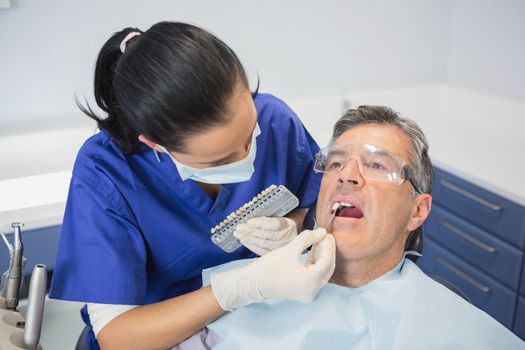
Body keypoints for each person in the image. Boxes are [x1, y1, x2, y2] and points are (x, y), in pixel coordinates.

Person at [49, 21, 336, 350]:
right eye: (218, 160)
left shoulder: (274, 118)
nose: (246, 159)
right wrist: (237, 288)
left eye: (249, 136)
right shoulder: (106, 170)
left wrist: (295, 225)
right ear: (156, 144)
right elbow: (118, 334)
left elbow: (319, 204)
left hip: (266, 321)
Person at [194, 105, 525, 349]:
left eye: (377, 164)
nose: (346, 175)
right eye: (335, 163)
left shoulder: (465, 334)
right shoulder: (248, 287)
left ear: (417, 210)